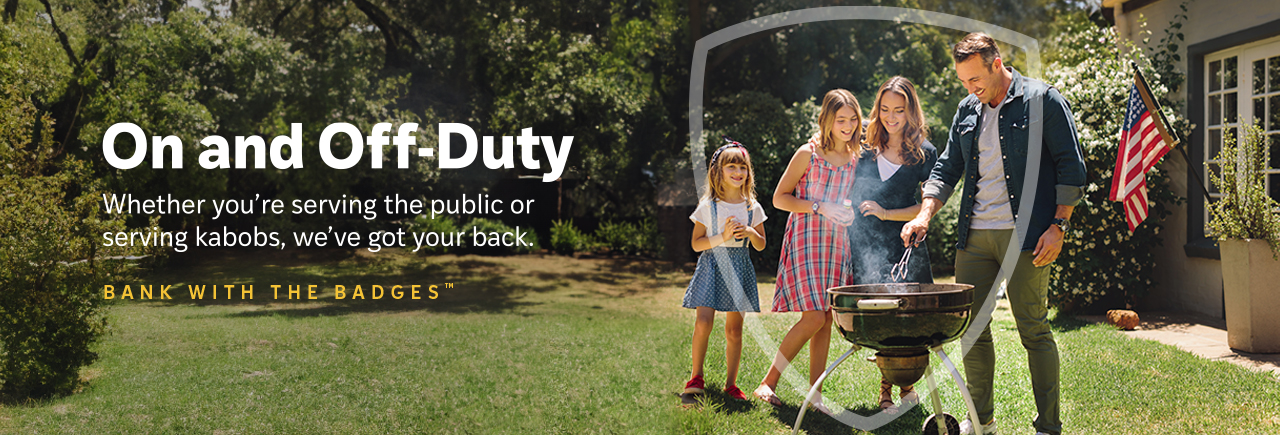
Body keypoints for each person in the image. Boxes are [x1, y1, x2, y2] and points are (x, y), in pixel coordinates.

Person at [901, 33, 1086, 435]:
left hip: (1028, 235)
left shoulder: (1042, 100)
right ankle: (981, 421)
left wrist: (1059, 226)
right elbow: (947, 169)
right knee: (972, 330)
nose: (970, 89)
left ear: (996, 63)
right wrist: (924, 215)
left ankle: (1048, 427)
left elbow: (1072, 167)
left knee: (1033, 329)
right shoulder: (967, 109)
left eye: (975, 80)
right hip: (975, 236)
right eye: (963, 82)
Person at [753, 89, 859, 414]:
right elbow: (779, 198)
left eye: (853, 119)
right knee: (814, 316)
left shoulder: (855, 158)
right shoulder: (807, 154)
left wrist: (848, 211)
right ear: (826, 120)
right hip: (806, 237)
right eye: (841, 119)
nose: (848, 125)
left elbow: (845, 199)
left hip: (836, 243)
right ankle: (768, 383)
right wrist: (819, 206)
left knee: (826, 317)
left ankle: (815, 396)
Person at [846, 76, 936, 412]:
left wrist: (886, 213)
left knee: (908, 318)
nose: (891, 117)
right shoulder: (864, 145)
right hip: (866, 244)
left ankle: (905, 385)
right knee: (881, 319)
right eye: (884, 109)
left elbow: (929, 204)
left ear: (911, 110)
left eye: (899, 110)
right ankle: (886, 391)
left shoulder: (924, 153)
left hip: (907, 244)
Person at [681, 141, 767, 403]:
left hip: (738, 267)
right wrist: (722, 236)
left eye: (743, 167)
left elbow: (762, 245)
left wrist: (751, 233)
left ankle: (732, 384)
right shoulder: (708, 206)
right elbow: (696, 243)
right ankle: (696, 376)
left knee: (734, 330)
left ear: (748, 172)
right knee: (704, 322)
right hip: (712, 265)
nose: (738, 172)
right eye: (731, 166)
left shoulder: (752, 207)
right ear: (718, 171)